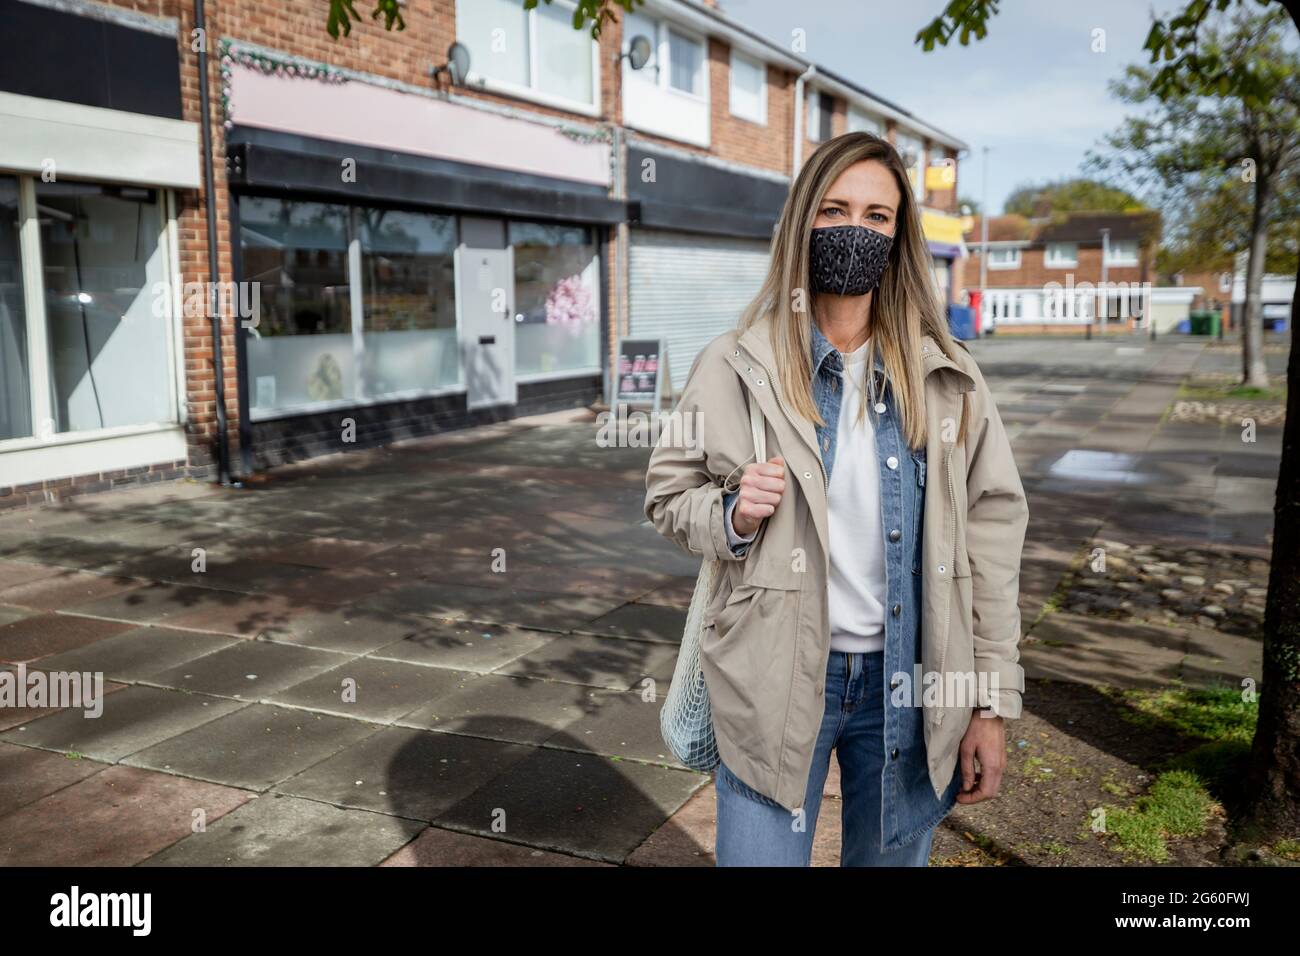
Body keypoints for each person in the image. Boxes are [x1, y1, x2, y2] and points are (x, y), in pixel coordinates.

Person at [643, 131, 1029, 867]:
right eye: (835, 209)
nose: (856, 230)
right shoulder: (732, 364)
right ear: (801, 223)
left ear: (899, 236)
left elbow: (994, 540)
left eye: (878, 217)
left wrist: (990, 700)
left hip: (911, 687)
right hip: (773, 681)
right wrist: (730, 514)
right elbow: (668, 493)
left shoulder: (948, 378)